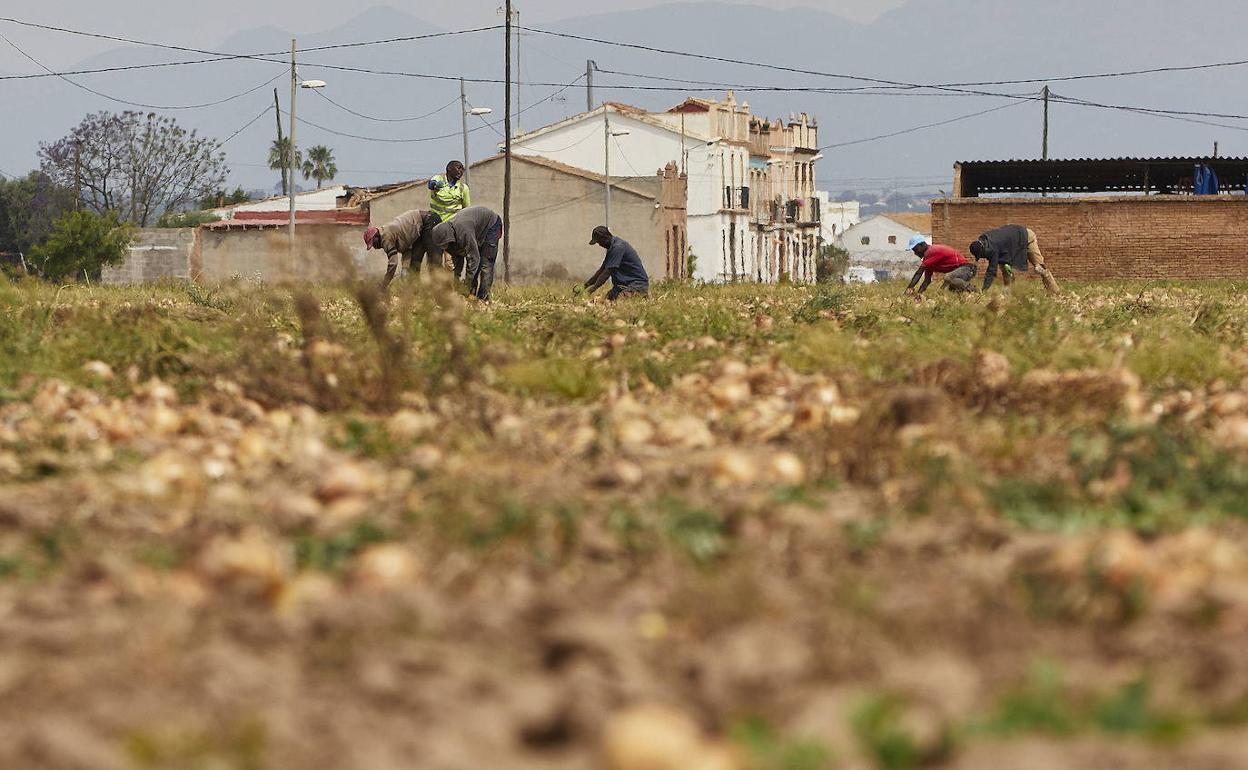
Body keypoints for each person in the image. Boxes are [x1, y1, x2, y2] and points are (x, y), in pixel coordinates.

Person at [429, 205, 503, 301]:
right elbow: (458, 261)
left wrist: (466, 285)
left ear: (448, 238)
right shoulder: (451, 238)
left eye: (445, 245)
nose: (445, 248)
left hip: (491, 225)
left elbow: (474, 259)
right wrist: (455, 284)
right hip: (476, 229)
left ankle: (483, 299)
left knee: (486, 264)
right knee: (474, 267)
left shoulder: (463, 232)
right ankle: (472, 296)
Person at [969, 224, 1060, 293]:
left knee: (1040, 267)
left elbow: (991, 271)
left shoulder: (992, 248)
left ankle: (1055, 292)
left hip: (1027, 237)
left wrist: (984, 290)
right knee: (1006, 269)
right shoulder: (985, 241)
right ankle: (1009, 292)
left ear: (983, 250)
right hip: (1012, 243)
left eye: (981, 255)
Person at [364, 209, 441, 290]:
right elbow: (407, 250)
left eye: (373, 243)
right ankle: (416, 292)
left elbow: (393, 264)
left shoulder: (386, 237)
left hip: (429, 221)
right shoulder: (390, 235)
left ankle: (440, 291)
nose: (375, 247)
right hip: (421, 229)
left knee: (434, 260)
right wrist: (405, 270)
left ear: (376, 236)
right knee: (414, 263)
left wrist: (384, 285)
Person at [580, 225, 650, 300]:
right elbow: (601, 270)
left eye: (599, 242)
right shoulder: (612, 248)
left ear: (605, 238)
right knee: (604, 301)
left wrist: (591, 290)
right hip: (621, 286)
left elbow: (607, 272)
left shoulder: (618, 247)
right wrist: (584, 287)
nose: (599, 245)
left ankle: (641, 295)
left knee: (618, 304)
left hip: (636, 285)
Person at [428, 161, 471, 277]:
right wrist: (435, 185)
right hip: (435, 225)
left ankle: (452, 285)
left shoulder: (463, 188)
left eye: (462, 169)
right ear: (449, 169)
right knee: (435, 258)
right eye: (458, 168)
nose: (461, 171)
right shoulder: (438, 179)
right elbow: (430, 184)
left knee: (451, 260)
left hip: (452, 228)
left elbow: (466, 210)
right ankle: (435, 285)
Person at [904, 235, 977, 294]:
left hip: (967, 269)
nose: (915, 253)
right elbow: (927, 280)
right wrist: (919, 294)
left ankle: (975, 291)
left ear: (922, 245)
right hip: (959, 272)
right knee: (942, 292)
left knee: (948, 278)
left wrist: (909, 288)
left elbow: (918, 273)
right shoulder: (929, 261)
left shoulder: (931, 251)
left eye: (915, 249)